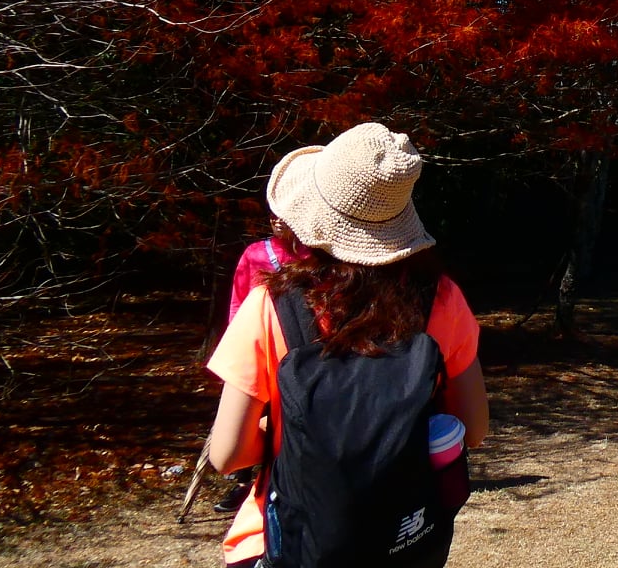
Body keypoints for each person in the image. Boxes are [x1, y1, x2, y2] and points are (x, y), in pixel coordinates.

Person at [205, 122, 489, 568]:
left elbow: (226, 454)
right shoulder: (441, 300)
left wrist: (291, 435)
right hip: (403, 540)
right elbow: (472, 427)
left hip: (291, 541)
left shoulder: (269, 306)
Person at [214, 220, 311, 514]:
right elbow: (238, 301)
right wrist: (240, 349)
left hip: (300, 350)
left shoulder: (312, 255)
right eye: (271, 212)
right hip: (259, 343)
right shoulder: (255, 253)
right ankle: (245, 483)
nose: (276, 219)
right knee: (248, 418)